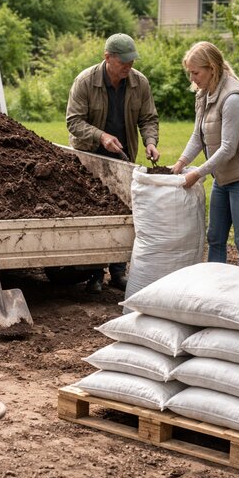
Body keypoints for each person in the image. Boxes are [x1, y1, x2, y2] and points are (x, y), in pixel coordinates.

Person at [66, 33, 160, 293]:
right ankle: (94, 273)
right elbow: (73, 122)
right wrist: (101, 136)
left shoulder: (139, 83)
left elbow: (149, 118)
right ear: (108, 58)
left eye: (131, 61)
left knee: (124, 211)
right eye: (123, 62)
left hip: (122, 156)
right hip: (90, 157)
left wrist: (150, 141)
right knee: (94, 214)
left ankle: (118, 272)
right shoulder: (85, 82)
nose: (129, 67)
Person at [171, 41, 239, 269]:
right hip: (224, 176)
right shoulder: (204, 94)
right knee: (215, 237)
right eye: (190, 73)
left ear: (212, 69)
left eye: (195, 73)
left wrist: (196, 174)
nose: (192, 78)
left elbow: (228, 148)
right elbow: (199, 136)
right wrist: (180, 164)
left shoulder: (233, 98)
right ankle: (216, 290)